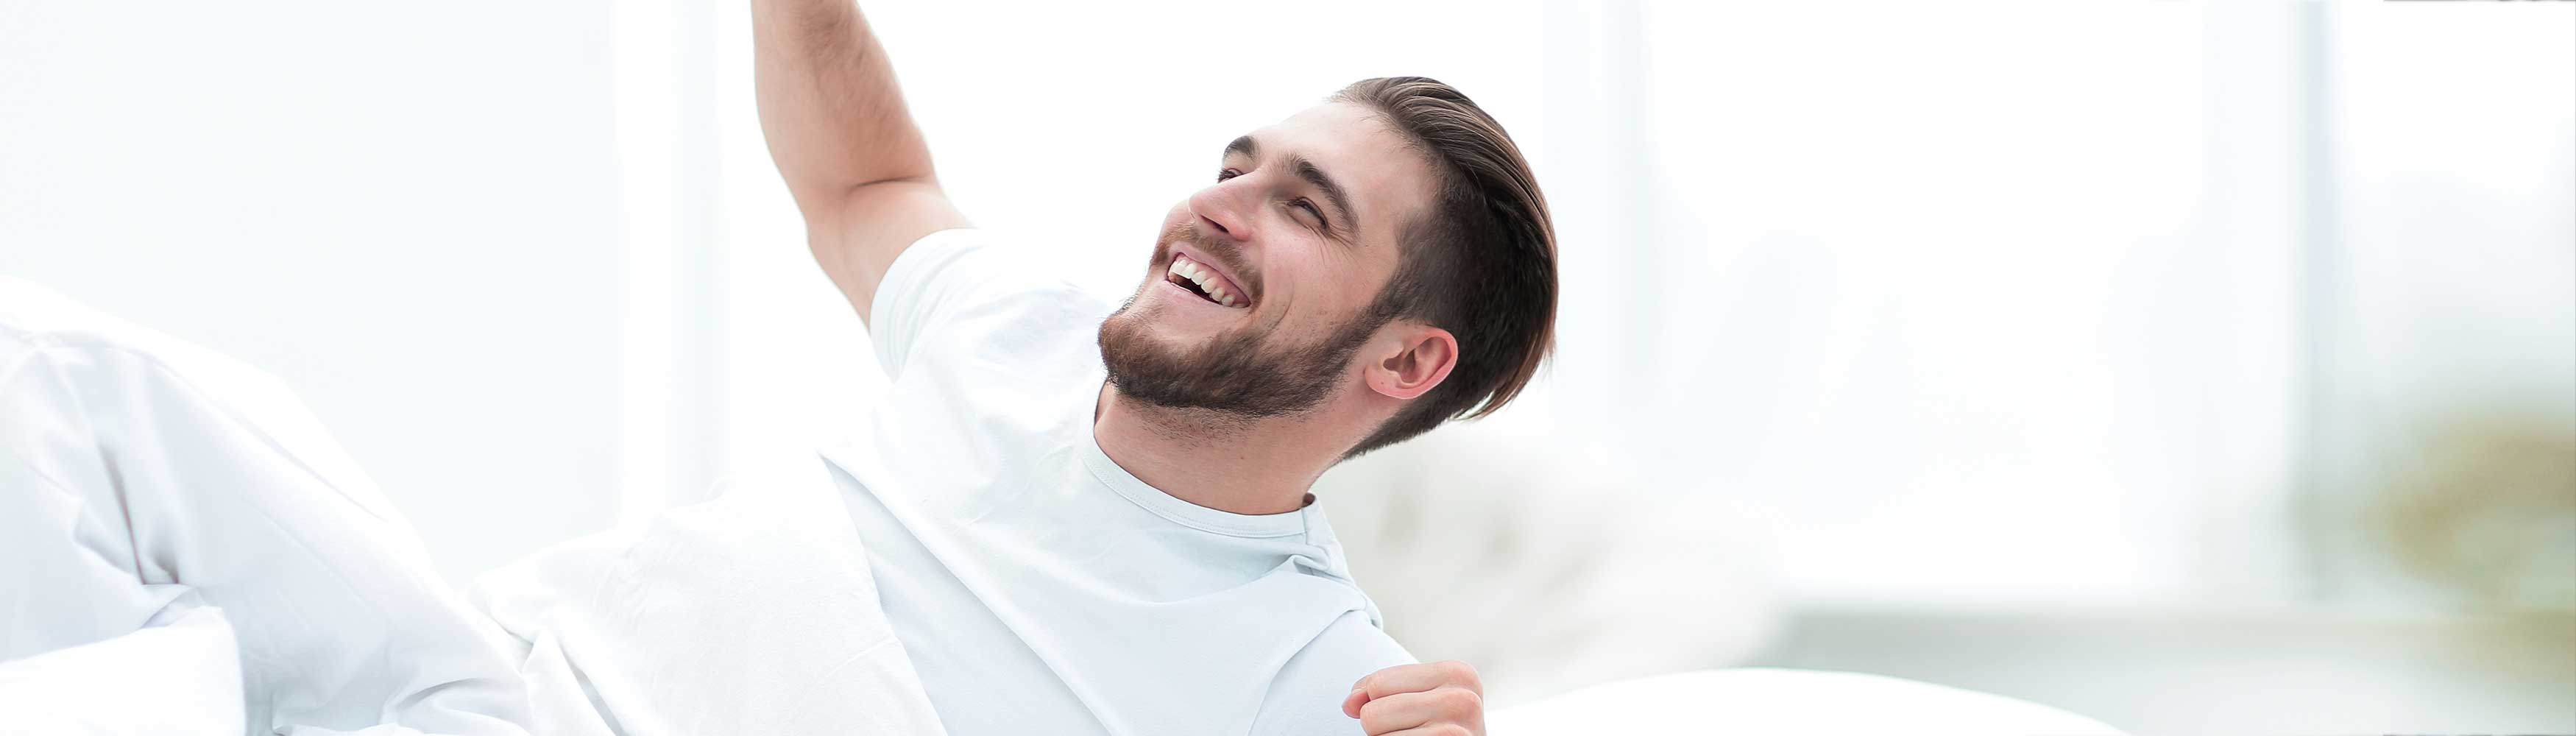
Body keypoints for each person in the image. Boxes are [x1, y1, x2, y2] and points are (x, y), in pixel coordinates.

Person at [726, 0, 1556, 733]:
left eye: (1304, 209)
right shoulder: (1009, 325)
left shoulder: (1326, 685)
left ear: (1407, 359)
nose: (1213, 205)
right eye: (1233, 170)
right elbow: (864, 181)